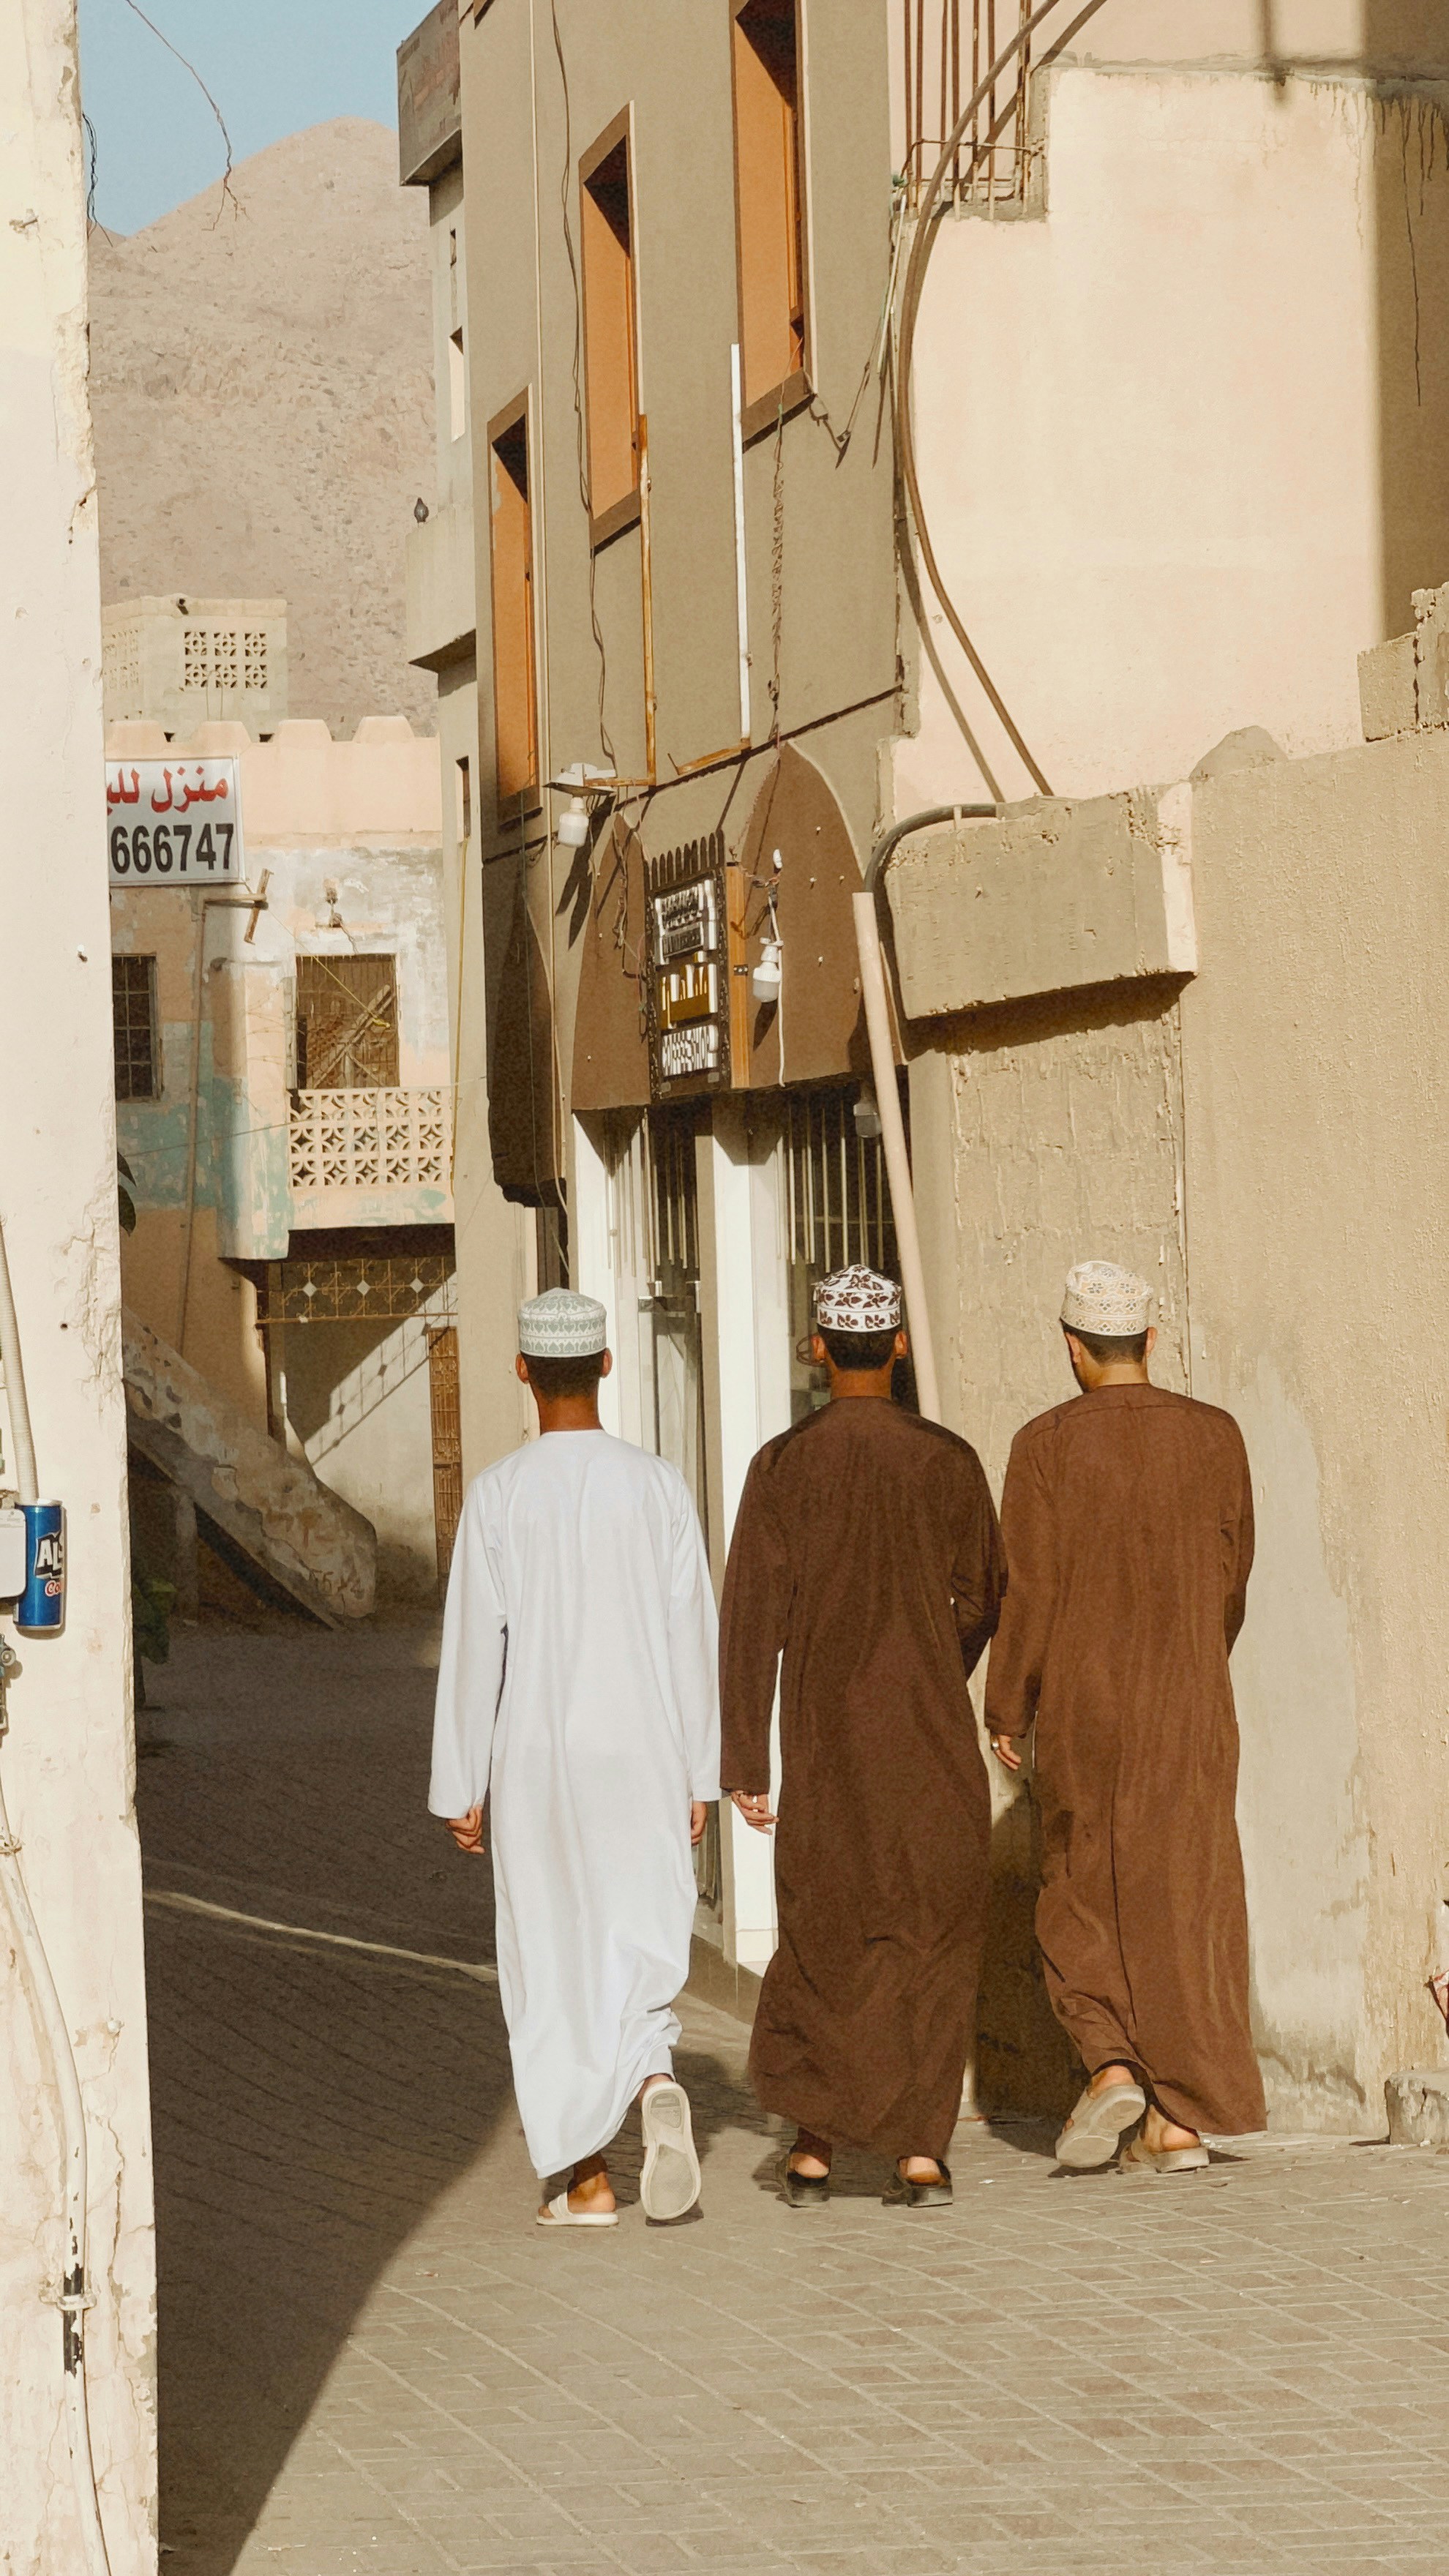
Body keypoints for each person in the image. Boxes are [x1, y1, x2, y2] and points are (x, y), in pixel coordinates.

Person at [430, 1288, 720, 2228]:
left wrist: (459, 1782)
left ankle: (588, 2179)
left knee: (552, 1956)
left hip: (538, 1760)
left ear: (522, 1371)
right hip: (642, 1748)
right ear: (605, 1365)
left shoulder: (501, 1494)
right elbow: (692, 1639)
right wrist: (700, 1772)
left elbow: (477, 1646)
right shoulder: (658, 1486)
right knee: (638, 1934)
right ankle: (652, 2073)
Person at [719, 1266, 1004, 2208]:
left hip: (827, 1746)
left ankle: (813, 2146)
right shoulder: (949, 1460)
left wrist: (745, 1761)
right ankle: (922, 2151)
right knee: (930, 1935)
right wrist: (933, 1658)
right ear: (899, 1348)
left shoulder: (782, 1466)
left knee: (822, 1934)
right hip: (931, 1749)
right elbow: (982, 1597)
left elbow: (751, 1618)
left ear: (816, 1349)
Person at [986, 1259, 1264, 2174]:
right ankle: (1179, 2119)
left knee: (1078, 1886)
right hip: (1189, 1701)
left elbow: (1028, 1589)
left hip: (1084, 1702)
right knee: (1186, 1896)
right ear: (1150, 1340)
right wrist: (1192, 1657)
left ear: (1073, 1348)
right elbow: (1232, 1580)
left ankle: (1109, 2062)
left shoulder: (1045, 1445)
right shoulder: (1216, 1436)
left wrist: (1008, 1703)